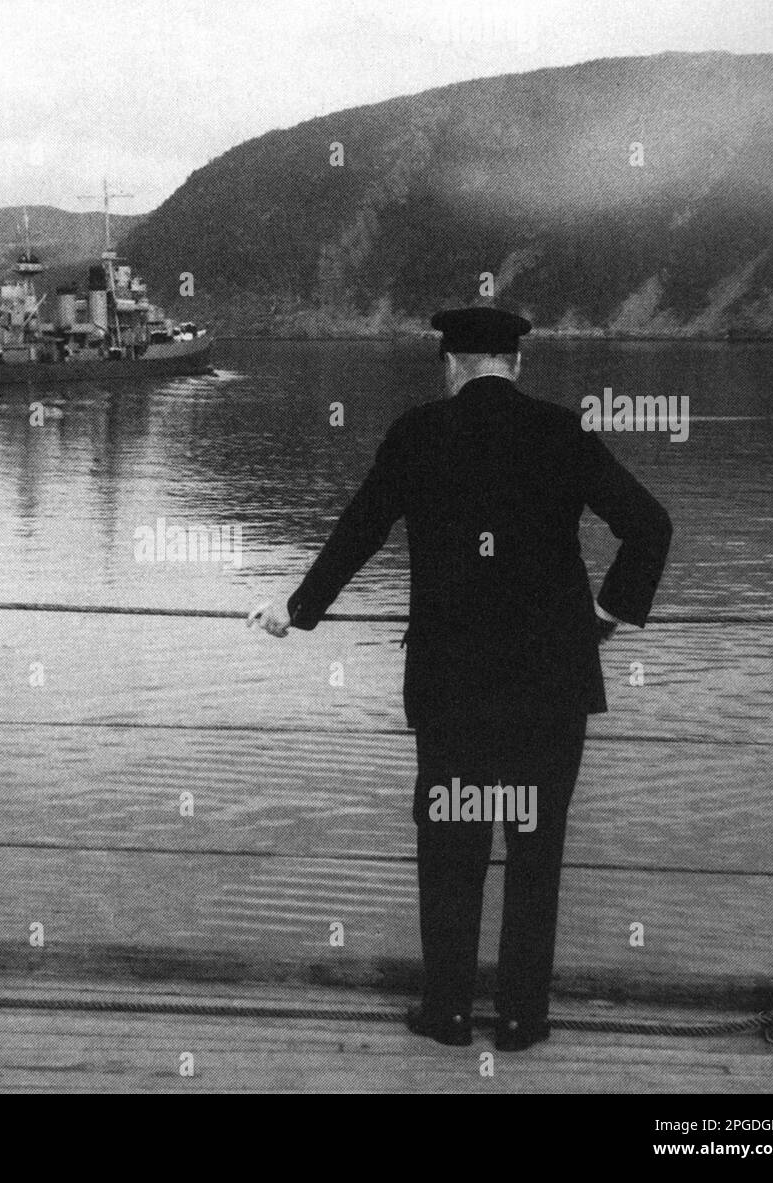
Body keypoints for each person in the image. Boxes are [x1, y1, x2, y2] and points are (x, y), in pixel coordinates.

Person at [248, 307, 672, 1050]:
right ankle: (520, 1019)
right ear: (517, 363)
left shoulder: (418, 433)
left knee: (452, 851)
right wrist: (605, 615)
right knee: (536, 854)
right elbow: (650, 525)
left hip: (453, 686)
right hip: (551, 683)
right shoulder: (562, 432)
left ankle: (446, 1013)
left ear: (450, 364)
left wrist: (298, 607)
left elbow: (361, 529)